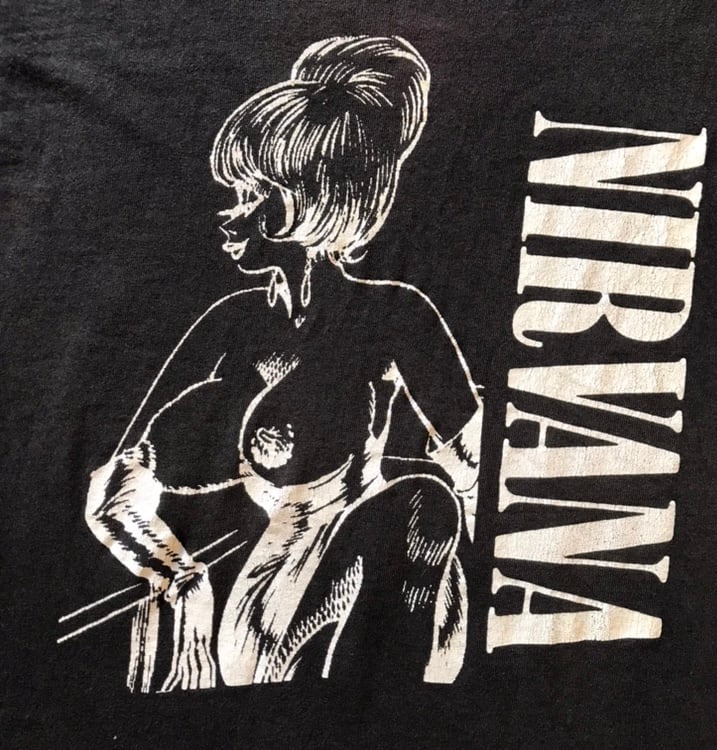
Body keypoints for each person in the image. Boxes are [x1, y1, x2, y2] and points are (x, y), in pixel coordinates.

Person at [85, 35, 482, 690]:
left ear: (315, 201)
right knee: (420, 506)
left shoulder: (397, 316)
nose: (229, 214)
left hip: (401, 580)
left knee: (423, 503)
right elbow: (111, 493)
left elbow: (479, 472)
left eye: (252, 194)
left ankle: (396, 695)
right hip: (276, 610)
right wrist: (179, 577)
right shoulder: (229, 324)